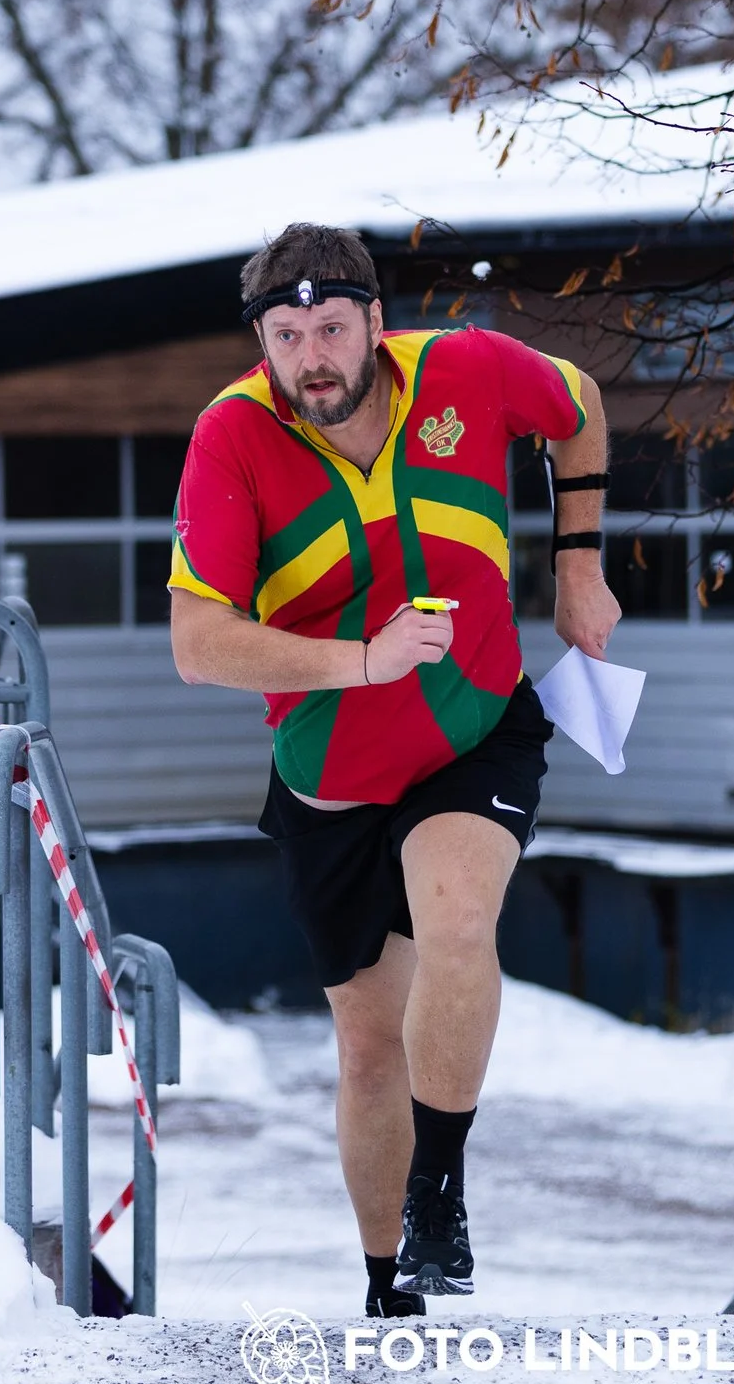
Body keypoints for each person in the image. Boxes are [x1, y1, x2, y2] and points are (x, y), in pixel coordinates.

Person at [168, 223, 619, 1313]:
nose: (312, 354)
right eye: (287, 335)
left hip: (473, 732)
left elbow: (581, 404)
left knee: (460, 918)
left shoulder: (463, 366)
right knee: (370, 1050)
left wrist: (577, 564)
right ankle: (388, 1284)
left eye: (331, 327)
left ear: (376, 320)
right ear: (263, 342)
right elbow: (197, 643)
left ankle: (440, 1191)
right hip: (330, 772)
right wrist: (356, 663)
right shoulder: (231, 436)